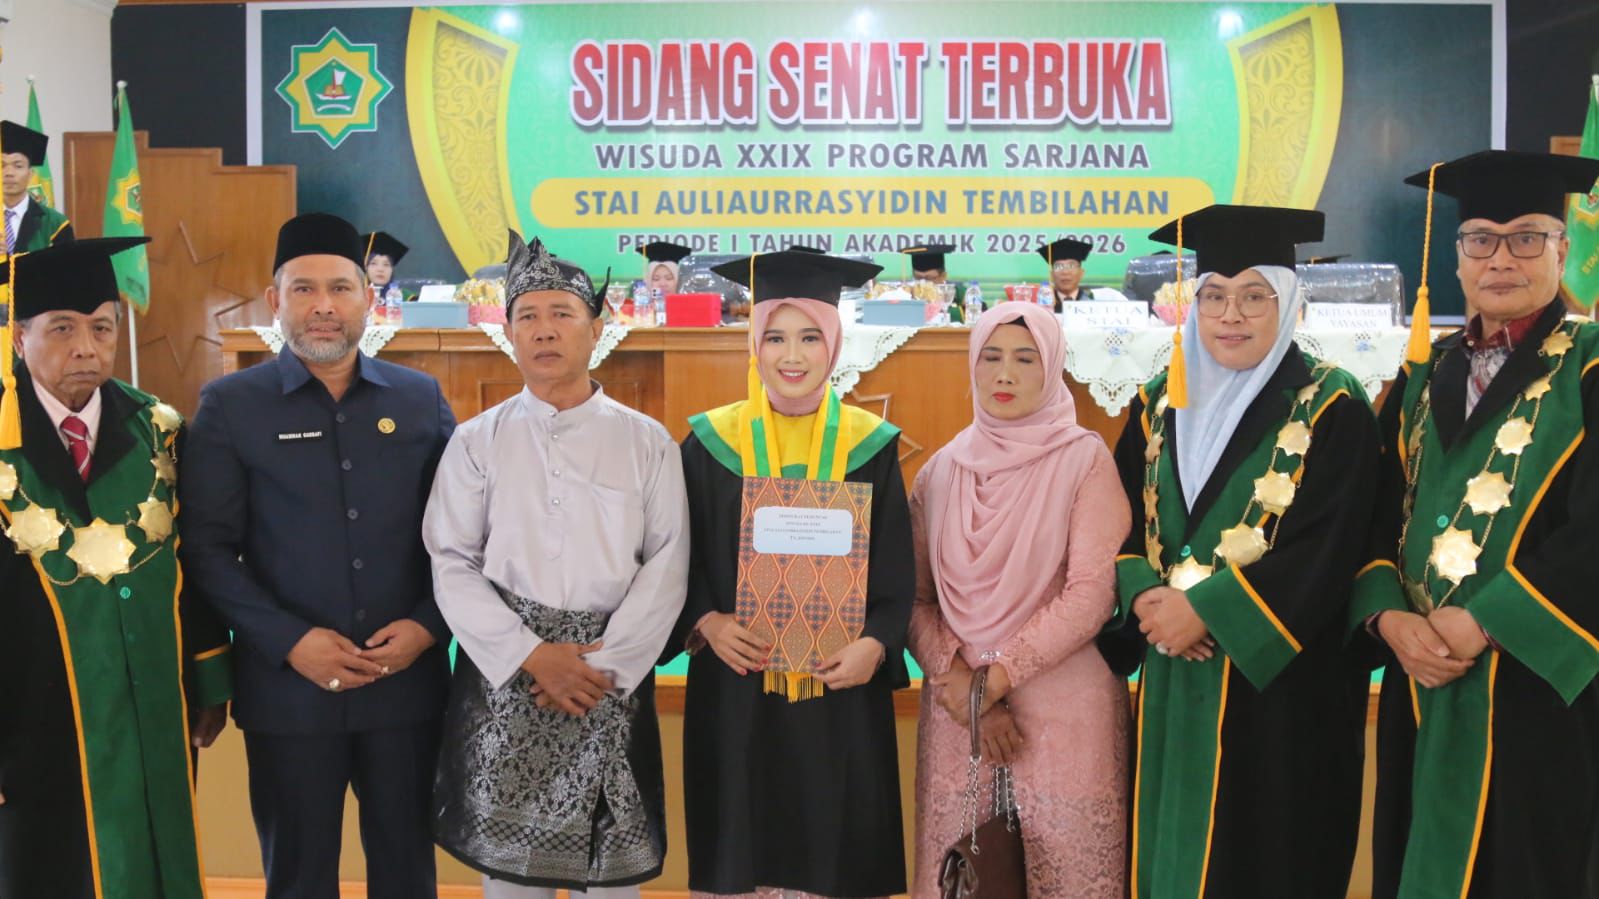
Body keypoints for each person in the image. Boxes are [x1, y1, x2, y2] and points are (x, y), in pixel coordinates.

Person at [180, 212, 456, 899]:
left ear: (368, 298)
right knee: (298, 876)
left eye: (340, 288)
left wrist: (428, 627)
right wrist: (289, 641)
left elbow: (463, 537)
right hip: (288, 696)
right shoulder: (230, 405)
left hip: (406, 687)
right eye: (304, 289)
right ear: (275, 300)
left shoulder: (418, 399)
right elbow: (208, 549)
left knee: (408, 874)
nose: (323, 306)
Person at [1107, 204, 1380, 898]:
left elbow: (1333, 543)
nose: (1231, 315)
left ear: (1286, 302)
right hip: (1172, 673)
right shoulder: (1157, 405)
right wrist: (1144, 598)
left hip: (1279, 693)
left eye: (1254, 296)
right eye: (1214, 296)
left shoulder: (1332, 405)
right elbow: (1116, 522)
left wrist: (1208, 611)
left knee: (1264, 860)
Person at [1354, 150, 1599, 899]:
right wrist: (1389, 618)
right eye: (1481, 239)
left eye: (1526, 237)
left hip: (1533, 685)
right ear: (1457, 258)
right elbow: (1371, 513)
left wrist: (1488, 620)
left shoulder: (1588, 365)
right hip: (1420, 677)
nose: (1501, 258)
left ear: (1561, 248)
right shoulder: (1424, 375)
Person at [425, 232, 689, 898]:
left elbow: (667, 563)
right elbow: (451, 560)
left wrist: (604, 668)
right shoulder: (475, 441)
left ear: (596, 329)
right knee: (511, 880)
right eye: (528, 316)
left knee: (613, 879)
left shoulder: (647, 442)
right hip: (508, 679)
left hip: (608, 679)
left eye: (562, 314)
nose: (544, 330)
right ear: (508, 334)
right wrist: (531, 655)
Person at [674, 250, 913, 898]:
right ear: (753, 342)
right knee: (740, 849)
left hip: (839, 688)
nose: (792, 355)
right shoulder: (710, 443)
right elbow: (676, 556)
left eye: (810, 336)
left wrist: (875, 644)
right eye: (775, 337)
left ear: (833, 343)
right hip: (736, 682)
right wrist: (706, 620)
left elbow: (897, 572)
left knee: (834, 854)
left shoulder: (871, 446)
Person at [0, 238, 230, 899]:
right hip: (30, 711)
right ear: (19, 337)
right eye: (61, 329)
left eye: (101, 327)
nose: (86, 348)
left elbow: (195, 564)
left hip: (151, 697)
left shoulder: (161, 430)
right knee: (46, 863)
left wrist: (209, 677)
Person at [909, 301, 1131, 897]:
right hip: (959, 715)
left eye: (1026, 359)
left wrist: (995, 680)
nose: (1004, 374)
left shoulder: (1085, 460)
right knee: (964, 875)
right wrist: (966, 690)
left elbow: (1092, 594)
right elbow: (915, 601)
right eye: (991, 357)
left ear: (1052, 368)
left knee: (1068, 874)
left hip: (1063, 711)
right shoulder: (939, 472)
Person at [0, 120, 73, 258]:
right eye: (1, 165)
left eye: (18, 166)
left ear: (30, 174)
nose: (9, 173)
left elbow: (67, 266)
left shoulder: (54, 223)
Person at [1036, 237, 1128, 309]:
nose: (1065, 272)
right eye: (1058, 267)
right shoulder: (1041, 304)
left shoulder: (1101, 300)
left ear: (1081, 273)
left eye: (1071, 266)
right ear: (1051, 275)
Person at [363, 230, 409, 299]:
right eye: (373, 263)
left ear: (392, 270)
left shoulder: (404, 297)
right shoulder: (355, 298)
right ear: (365, 268)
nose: (380, 269)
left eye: (386, 264)